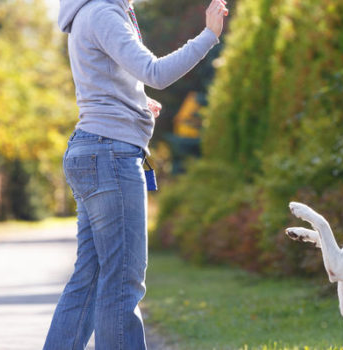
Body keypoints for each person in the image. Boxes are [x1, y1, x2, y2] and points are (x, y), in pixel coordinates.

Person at [44, 0, 228, 349]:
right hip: (109, 153)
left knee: (91, 277)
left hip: (96, 148)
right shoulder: (103, 12)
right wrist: (209, 35)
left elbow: (108, 82)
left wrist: (136, 105)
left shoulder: (92, 12)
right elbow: (155, 72)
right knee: (122, 282)